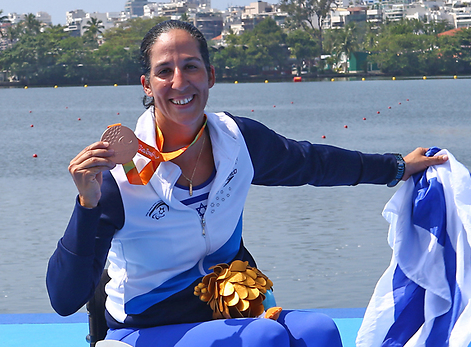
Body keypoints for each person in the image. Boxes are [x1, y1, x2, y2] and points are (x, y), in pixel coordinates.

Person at [46, 20, 447, 347]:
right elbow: (64, 299)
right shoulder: (117, 177)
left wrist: (397, 167)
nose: (179, 82)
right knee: (262, 339)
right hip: (144, 326)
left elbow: (313, 164)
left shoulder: (238, 141)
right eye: (164, 71)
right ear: (147, 86)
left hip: (224, 308)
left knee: (320, 331)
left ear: (211, 77)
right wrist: (87, 204)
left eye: (191, 67)